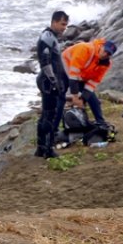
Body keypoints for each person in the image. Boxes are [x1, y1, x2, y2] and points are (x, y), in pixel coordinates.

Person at [34, 10, 70, 158]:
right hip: (48, 82)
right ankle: (47, 149)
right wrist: (54, 82)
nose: (64, 28)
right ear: (54, 22)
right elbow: (45, 62)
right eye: (62, 24)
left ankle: (41, 148)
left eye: (66, 25)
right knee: (49, 115)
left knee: (46, 115)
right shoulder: (47, 37)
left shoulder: (51, 37)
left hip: (48, 81)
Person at [61, 38, 118, 127]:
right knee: (59, 97)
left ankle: (100, 122)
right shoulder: (85, 49)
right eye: (105, 51)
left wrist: (82, 100)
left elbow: (92, 83)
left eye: (108, 54)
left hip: (79, 75)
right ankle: (55, 128)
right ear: (101, 46)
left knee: (92, 99)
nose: (105, 54)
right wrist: (75, 97)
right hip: (63, 68)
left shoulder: (106, 64)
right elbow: (73, 75)